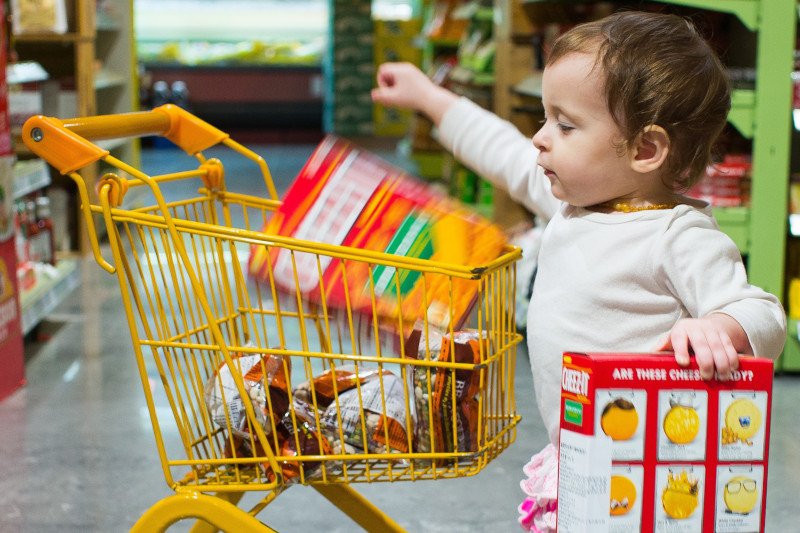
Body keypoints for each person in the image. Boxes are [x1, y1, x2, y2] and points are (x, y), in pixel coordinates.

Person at [371, 10, 786, 532]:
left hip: (650, 480)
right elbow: (502, 151)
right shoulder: (572, 205)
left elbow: (763, 312)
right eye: (546, 118)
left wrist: (720, 326)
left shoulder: (677, 236)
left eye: (565, 125)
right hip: (581, 458)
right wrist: (430, 98)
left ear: (645, 149)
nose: (541, 138)